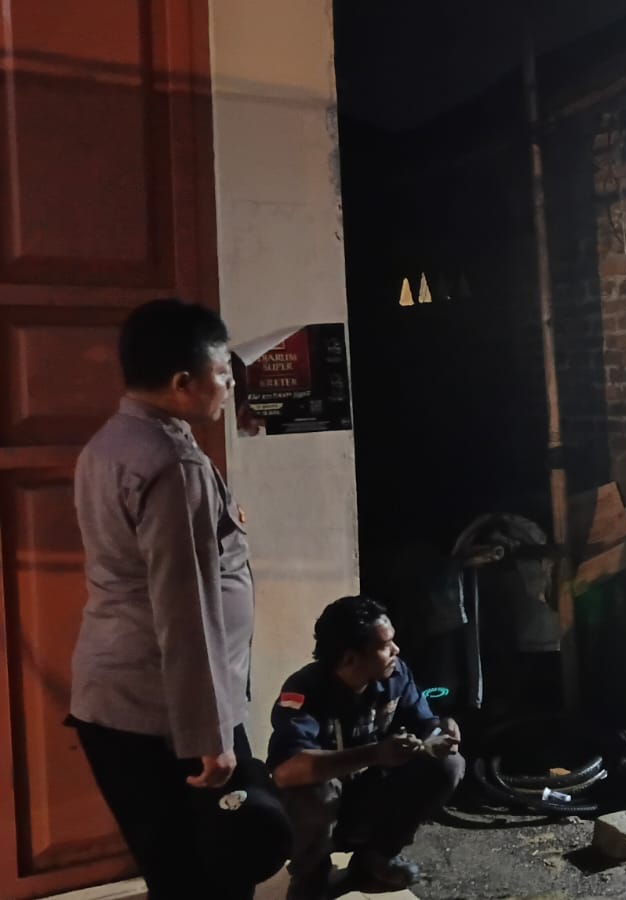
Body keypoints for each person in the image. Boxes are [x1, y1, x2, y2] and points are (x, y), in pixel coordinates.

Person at [68, 298, 280, 899]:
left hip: (120, 701)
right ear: (183, 382)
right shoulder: (172, 462)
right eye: (222, 374)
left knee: (173, 872)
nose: (230, 386)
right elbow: (185, 610)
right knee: (218, 873)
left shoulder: (112, 442)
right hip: (167, 712)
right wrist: (207, 735)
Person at [269, 595, 466, 899]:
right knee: (312, 790)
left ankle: (376, 857)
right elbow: (286, 772)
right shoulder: (305, 690)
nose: (396, 650)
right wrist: (375, 753)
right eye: (386, 645)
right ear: (350, 659)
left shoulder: (395, 674)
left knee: (450, 765)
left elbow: (425, 721)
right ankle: (311, 874)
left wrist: (441, 730)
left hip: (373, 792)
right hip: (328, 804)